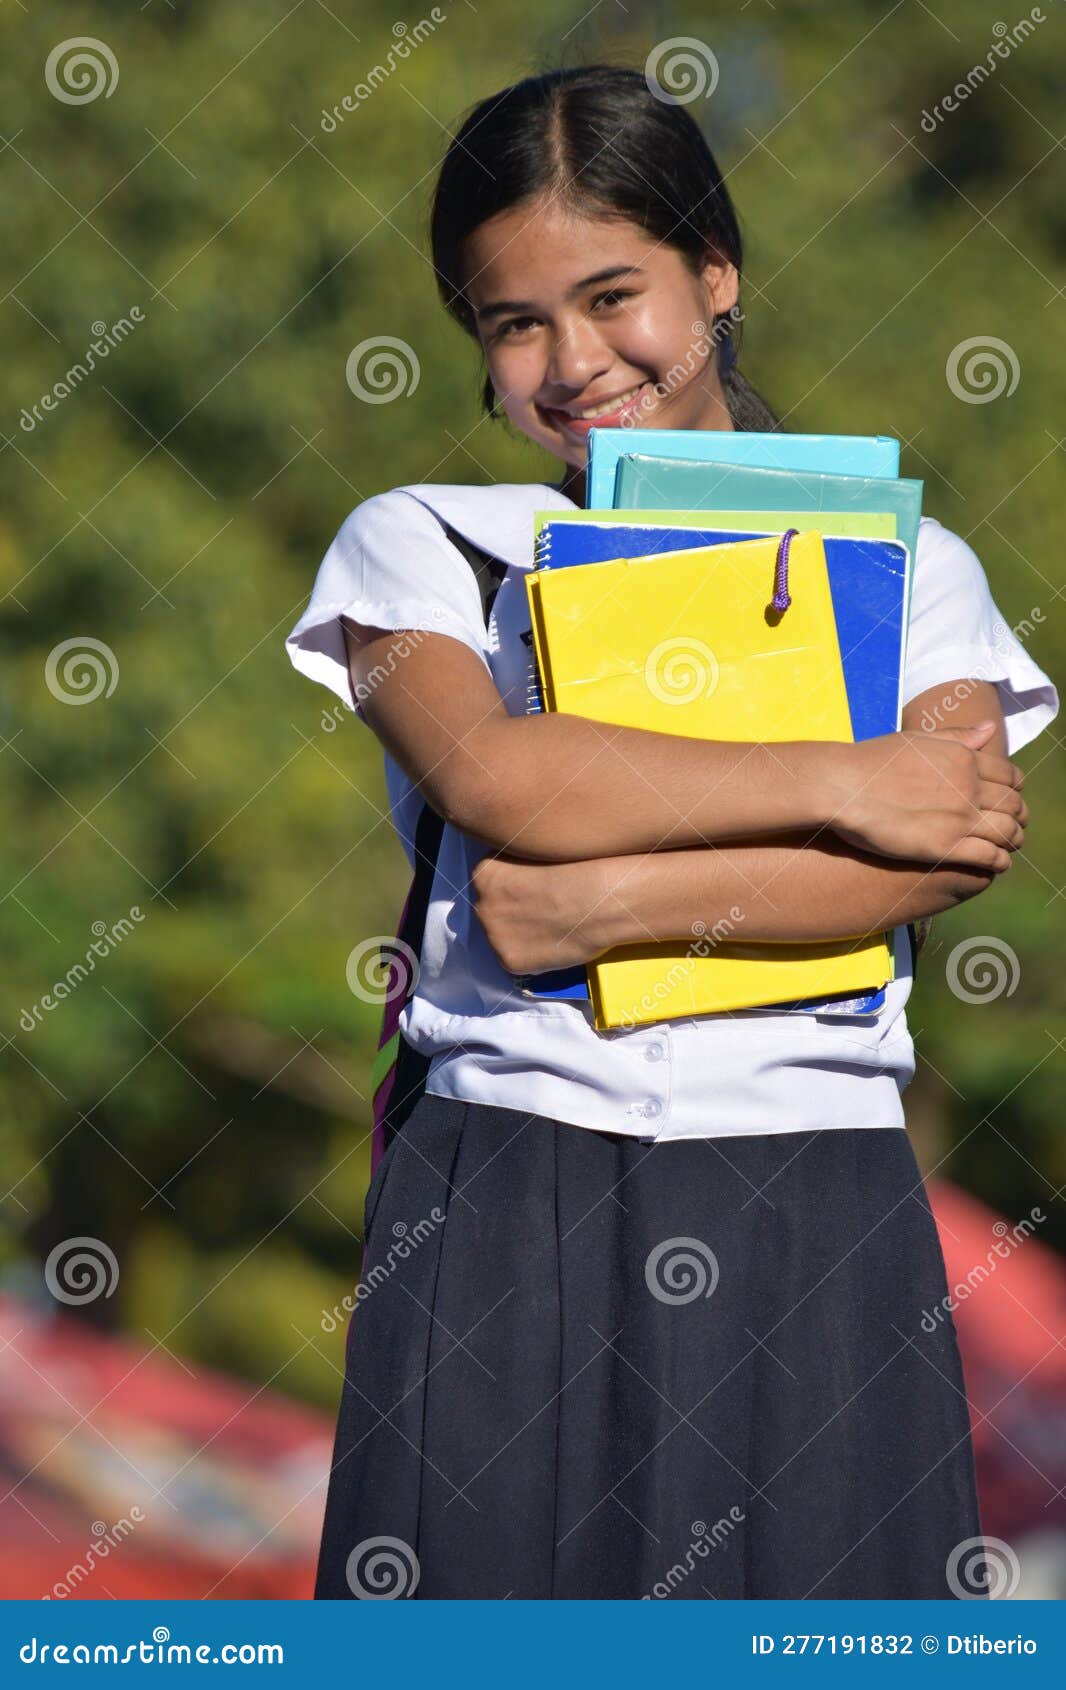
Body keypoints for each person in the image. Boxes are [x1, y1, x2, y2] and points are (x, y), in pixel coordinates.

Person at [284, 64, 1058, 1600]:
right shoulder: (418, 543)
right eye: (513, 323)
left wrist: (594, 912)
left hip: (818, 1213)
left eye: (611, 293)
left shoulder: (912, 562)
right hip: (504, 1197)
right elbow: (505, 785)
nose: (571, 360)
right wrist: (842, 778)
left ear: (715, 274)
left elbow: (940, 849)